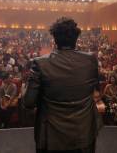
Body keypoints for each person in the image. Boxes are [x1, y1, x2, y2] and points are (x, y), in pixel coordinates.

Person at [24, 17, 102, 153]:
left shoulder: (40, 63)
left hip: (51, 136)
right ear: (76, 38)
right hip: (84, 132)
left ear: (54, 38)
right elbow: (93, 89)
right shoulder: (91, 60)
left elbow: (29, 102)